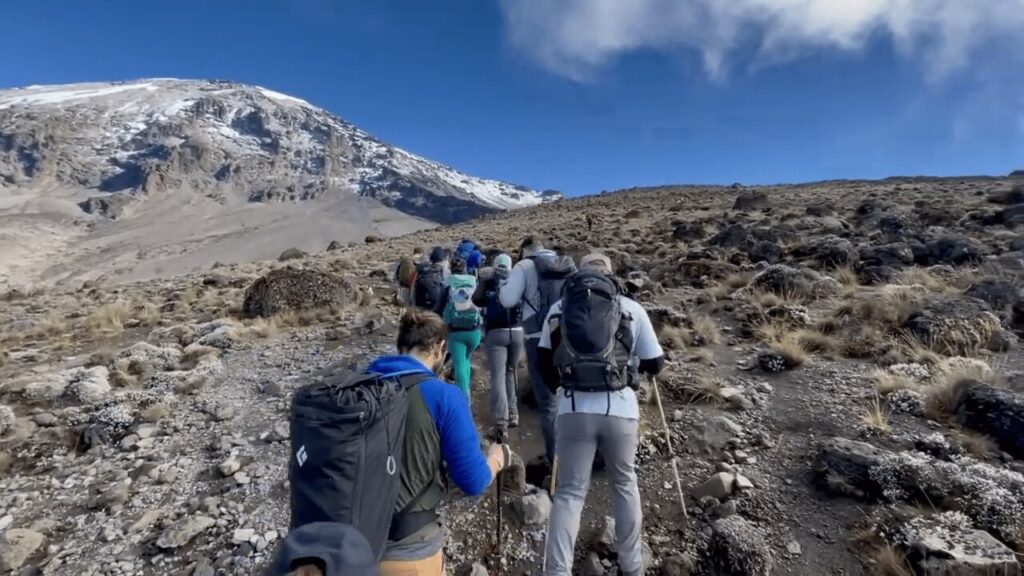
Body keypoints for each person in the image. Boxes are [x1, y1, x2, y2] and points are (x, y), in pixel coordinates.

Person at [278, 310, 517, 576]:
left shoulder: (356, 388)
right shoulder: (445, 396)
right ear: (440, 349)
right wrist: (496, 459)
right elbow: (472, 481)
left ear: (400, 346)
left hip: (342, 552)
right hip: (408, 549)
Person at [537, 253, 665, 576]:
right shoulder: (631, 308)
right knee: (624, 483)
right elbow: (656, 364)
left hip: (573, 409)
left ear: (580, 275)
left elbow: (543, 366)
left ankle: (557, 570)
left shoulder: (559, 309)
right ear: (610, 276)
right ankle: (632, 566)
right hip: (620, 409)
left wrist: (562, 387)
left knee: (568, 494)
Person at [499, 236, 576, 464]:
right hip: (568, 339)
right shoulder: (566, 264)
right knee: (569, 398)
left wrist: (505, 283)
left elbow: (507, 300)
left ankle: (556, 464)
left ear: (524, 250)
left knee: (549, 404)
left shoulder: (524, 266)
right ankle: (576, 459)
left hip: (535, 337)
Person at [473, 254, 523, 442]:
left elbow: (477, 299)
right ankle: (514, 412)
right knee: (511, 371)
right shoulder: (518, 277)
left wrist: (484, 282)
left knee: (497, 375)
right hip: (517, 331)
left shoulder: (489, 279)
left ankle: (501, 422)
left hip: (496, 332)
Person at [442, 258, 483, 396]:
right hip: (474, 331)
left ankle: (463, 398)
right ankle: (467, 391)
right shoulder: (473, 283)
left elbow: (442, 307)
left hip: (456, 332)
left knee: (459, 364)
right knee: (466, 360)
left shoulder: (448, 285)